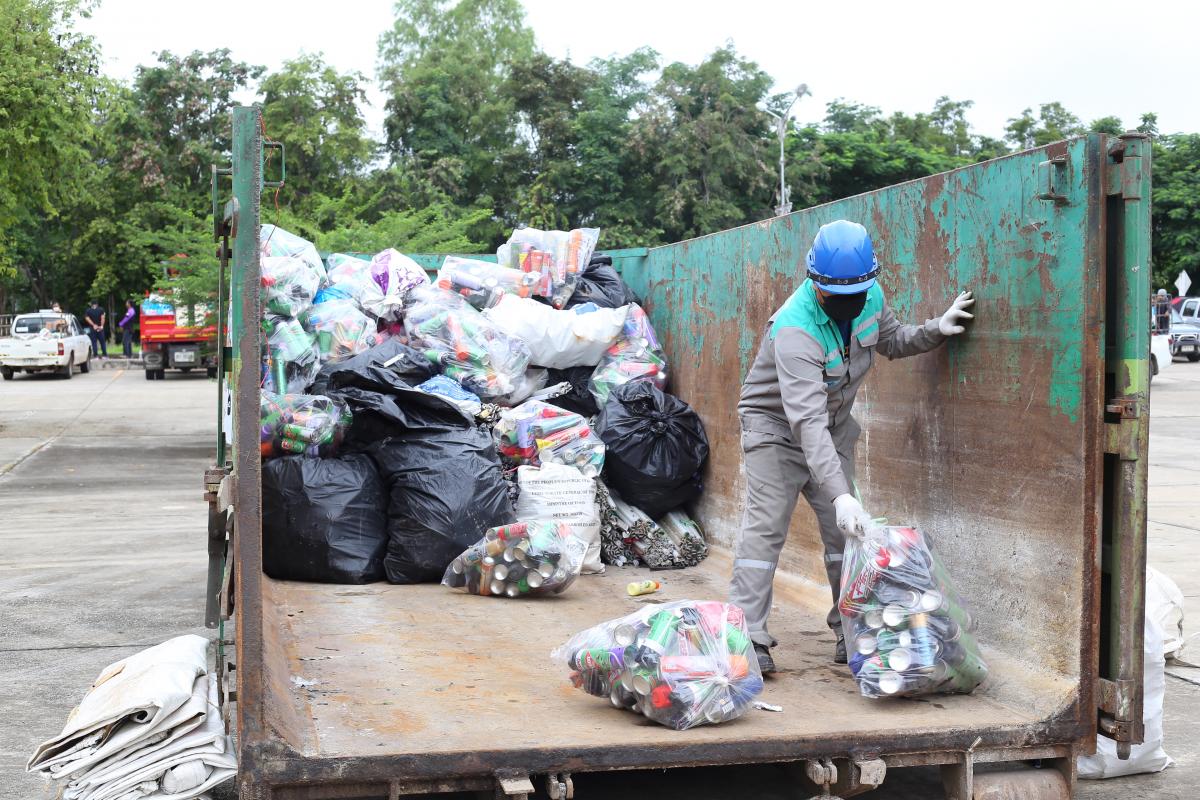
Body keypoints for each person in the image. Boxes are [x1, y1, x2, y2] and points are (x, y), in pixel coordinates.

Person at [731, 220, 976, 674]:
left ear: (870, 281)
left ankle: (853, 633)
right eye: (834, 297)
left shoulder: (871, 299)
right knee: (764, 534)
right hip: (775, 430)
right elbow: (805, 420)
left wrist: (935, 329)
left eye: (856, 294)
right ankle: (749, 639)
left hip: (834, 427)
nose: (847, 305)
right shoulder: (794, 329)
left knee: (846, 538)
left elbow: (892, 340)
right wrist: (841, 494)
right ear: (814, 283)